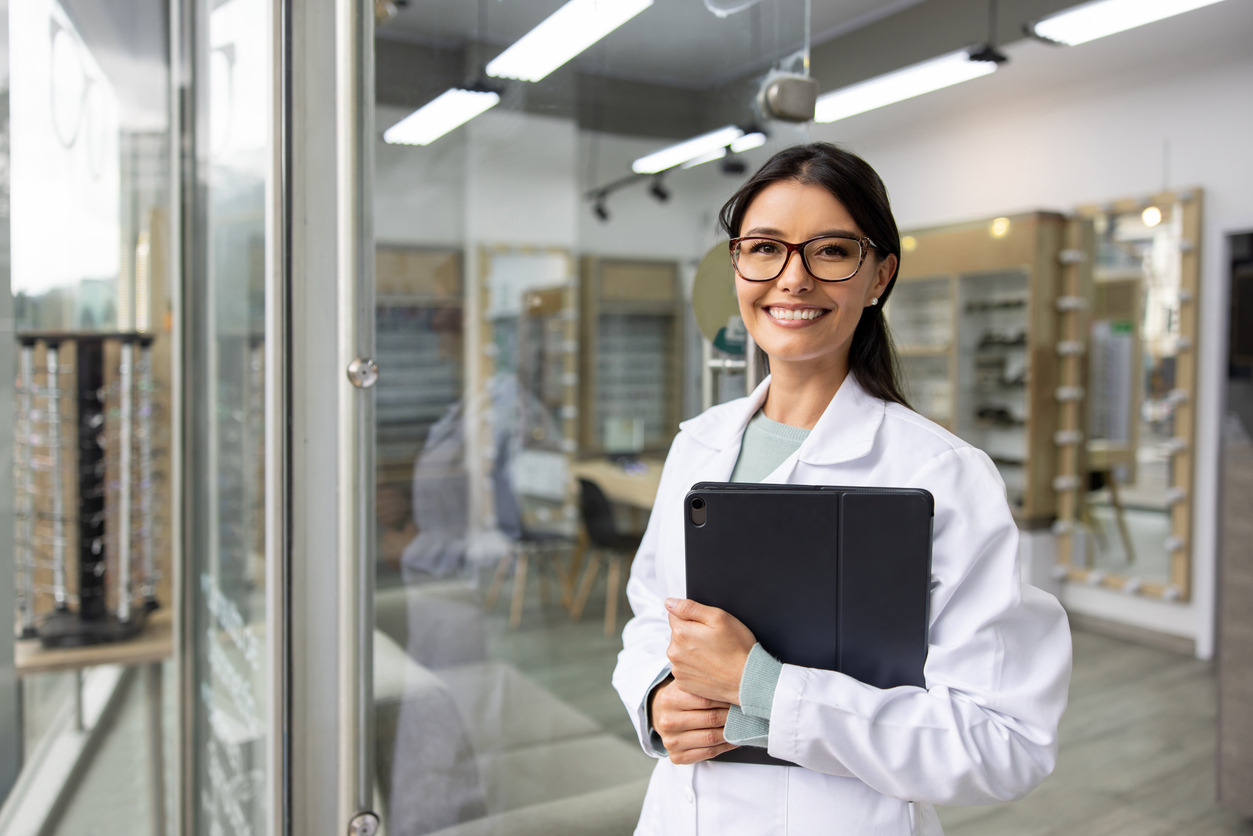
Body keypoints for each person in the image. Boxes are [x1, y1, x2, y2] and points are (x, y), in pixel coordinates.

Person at [612, 142, 1072, 836]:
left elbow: (1005, 742)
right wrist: (656, 698)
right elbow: (652, 616)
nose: (790, 279)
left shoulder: (940, 475)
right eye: (763, 248)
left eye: (828, 251)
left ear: (878, 274)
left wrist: (764, 688)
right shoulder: (697, 445)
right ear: (737, 265)